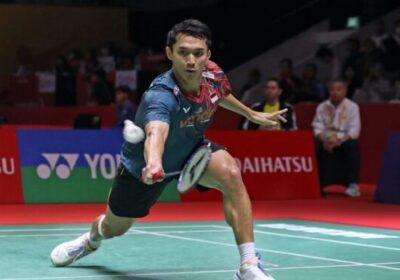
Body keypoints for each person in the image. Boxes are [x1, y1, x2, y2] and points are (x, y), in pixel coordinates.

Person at [50, 19, 287, 280]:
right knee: (114, 227)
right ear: (169, 53)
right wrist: (153, 162)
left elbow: (219, 94)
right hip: (144, 169)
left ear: (207, 55)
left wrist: (250, 114)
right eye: (183, 52)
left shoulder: (213, 75)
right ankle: (90, 240)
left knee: (230, 173)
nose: (191, 60)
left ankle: (248, 264)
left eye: (198, 53)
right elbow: (155, 131)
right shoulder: (161, 96)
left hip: (191, 150)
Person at [312, 79, 361, 197]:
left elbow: (354, 131)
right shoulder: (322, 106)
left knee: (353, 145)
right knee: (314, 145)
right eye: (332, 89)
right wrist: (325, 141)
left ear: (345, 91)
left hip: (343, 139)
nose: (335, 92)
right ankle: (317, 185)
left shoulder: (352, 107)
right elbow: (317, 127)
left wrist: (337, 142)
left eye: (339, 89)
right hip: (326, 139)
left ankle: (352, 185)